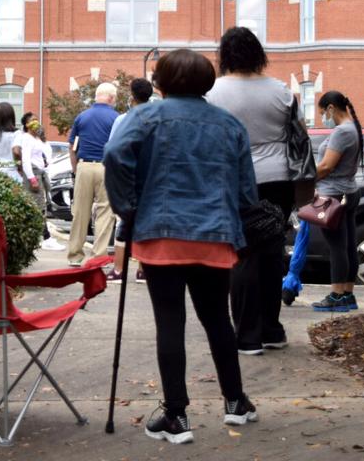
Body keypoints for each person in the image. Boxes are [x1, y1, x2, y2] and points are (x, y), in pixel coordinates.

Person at [104, 49, 259, 444]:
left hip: (161, 232)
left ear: (161, 82)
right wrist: (239, 214)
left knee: (170, 321)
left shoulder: (145, 116)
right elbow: (246, 187)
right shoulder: (229, 124)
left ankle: (176, 414)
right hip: (216, 234)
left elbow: (114, 154)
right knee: (218, 321)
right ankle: (235, 401)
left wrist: (128, 207)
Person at [205, 27, 294, 355]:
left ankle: (247, 336)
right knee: (272, 255)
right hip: (279, 180)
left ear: (225, 54)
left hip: (234, 179)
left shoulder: (213, 93)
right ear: (258, 53)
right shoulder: (282, 91)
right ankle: (272, 329)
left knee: (241, 255)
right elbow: (293, 135)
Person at [311, 90, 364, 312]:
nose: (323, 117)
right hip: (349, 191)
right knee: (349, 244)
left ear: (331, 108)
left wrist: (305, 180)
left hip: (332, 194)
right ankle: (348, 294)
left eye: (323, 112)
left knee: (336, 246)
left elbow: (326, 166)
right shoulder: (354, 128)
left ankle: (336, 295)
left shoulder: (342, 131)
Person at [66, 82, 119, 266]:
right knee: (105, 212)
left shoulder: (82, 117)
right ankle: (99, 256)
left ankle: (75, 255)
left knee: (80, 212)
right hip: (106, 168)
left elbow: (72, 146)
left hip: (84, 166)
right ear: (111, 98)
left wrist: (75, 169)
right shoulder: (115, 118)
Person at [106, 77, 154, 283]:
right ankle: (143, 270)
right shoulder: (156, 118)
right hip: (151, 176)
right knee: (146, 224)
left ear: (132, 96)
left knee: (123, 224)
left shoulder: (123, 119)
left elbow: (112, 149)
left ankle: (119, 269)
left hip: (130, 176)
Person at [16, 116, 64, 251]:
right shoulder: (26, 138)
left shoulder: (36, 138)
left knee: (39, 205)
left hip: (41, 173)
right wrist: (32, 179)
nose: (36, 122)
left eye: (37, 119)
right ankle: (45, 237)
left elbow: (43, 154)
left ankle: (39, 237)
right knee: (38, 207)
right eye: (32, 120)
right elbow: (25, 159)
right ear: (26, 124)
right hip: (34, 174)